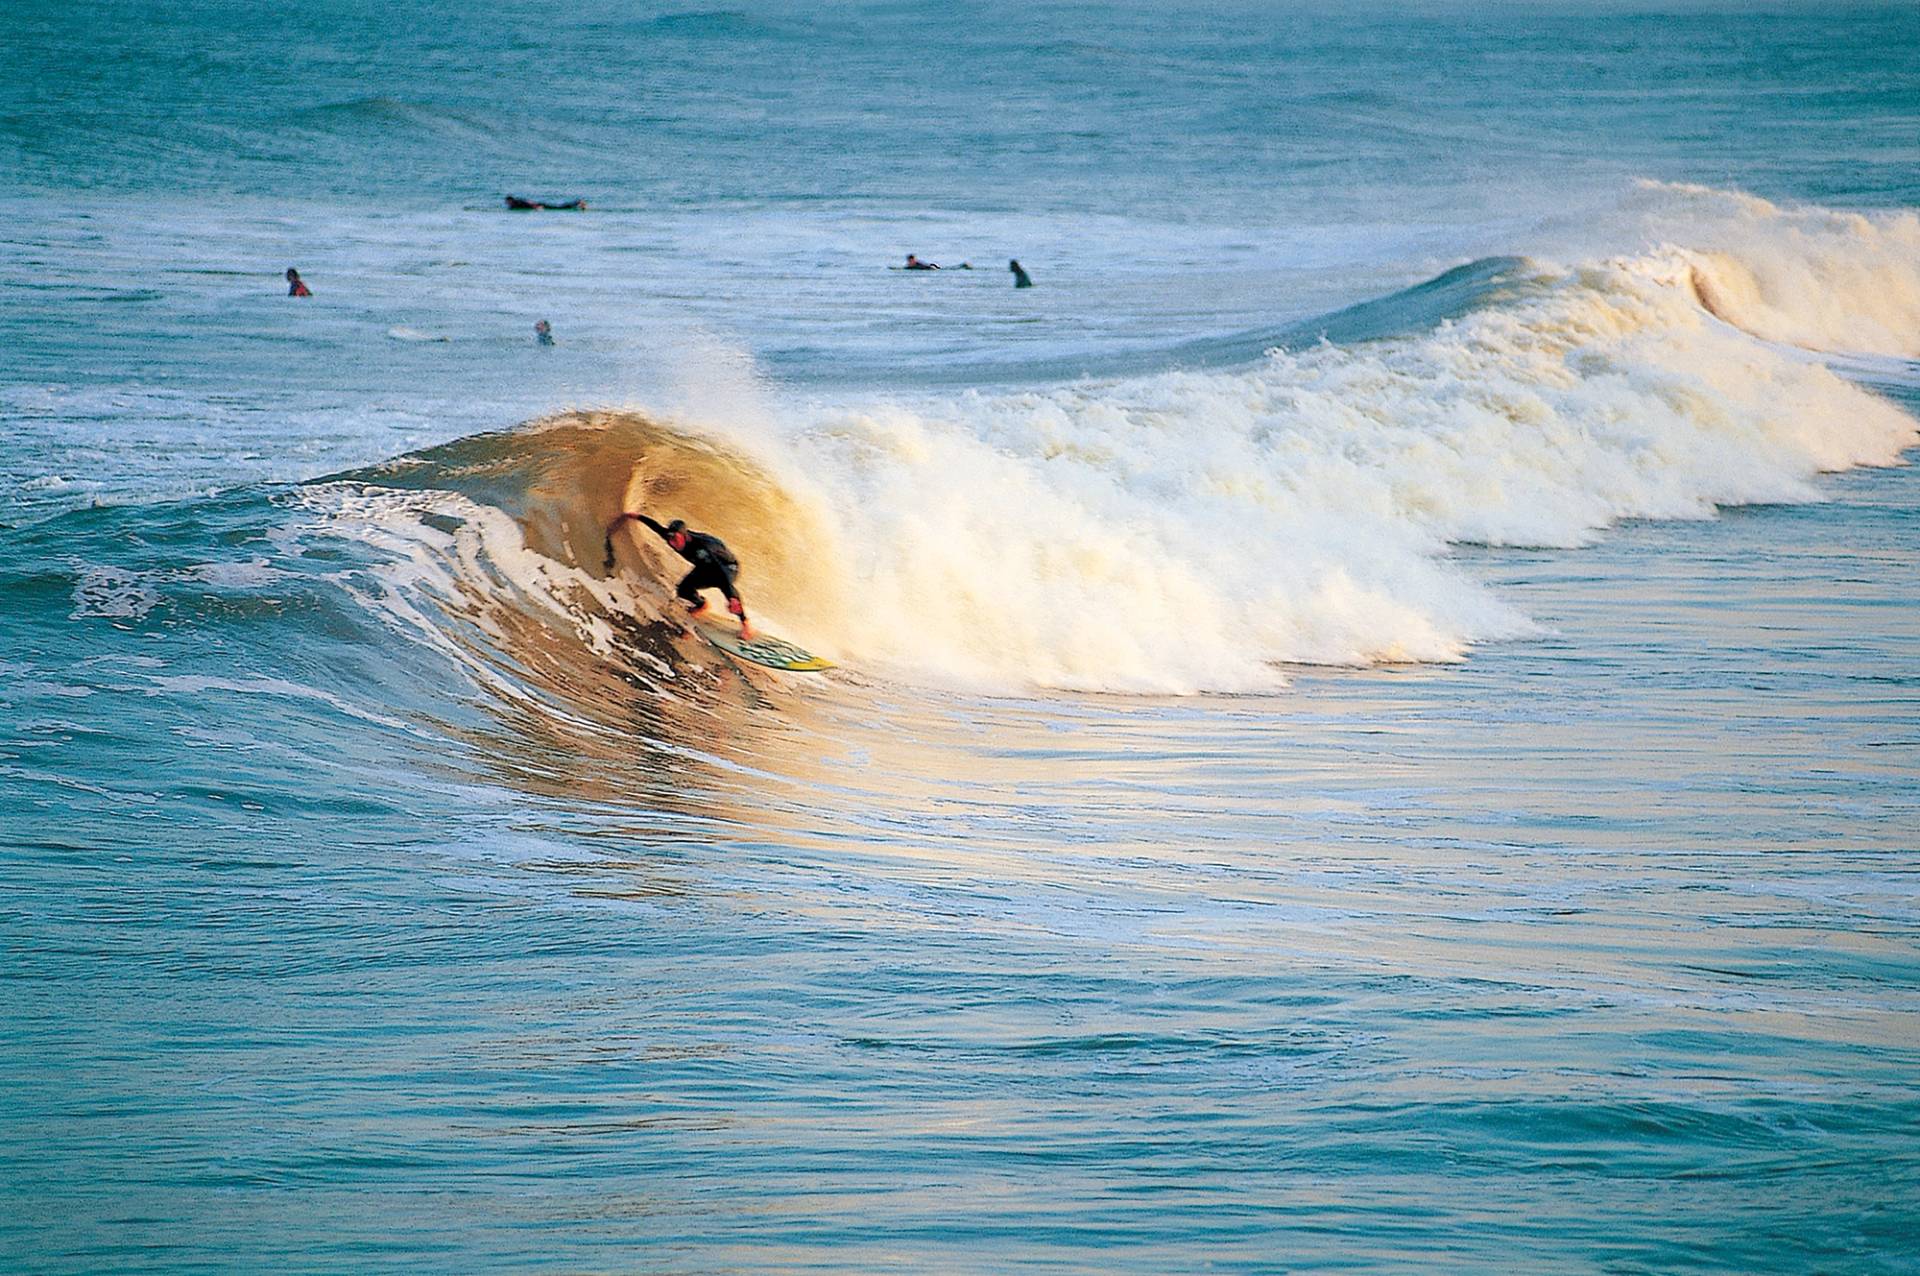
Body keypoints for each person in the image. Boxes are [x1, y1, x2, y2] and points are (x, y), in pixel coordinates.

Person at [605, 513, 752, 637]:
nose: (673, 543)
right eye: (670, 538)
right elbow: (655, 526)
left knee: (726, 589)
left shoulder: (703, 548)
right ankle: (701, 604)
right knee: (683, 589)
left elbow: (722, 575)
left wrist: (732, 598)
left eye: (675, 539)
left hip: (727, 567)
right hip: (704, 567)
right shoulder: (671, 537)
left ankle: (745, 623)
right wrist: (633, 516)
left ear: (684, 536)